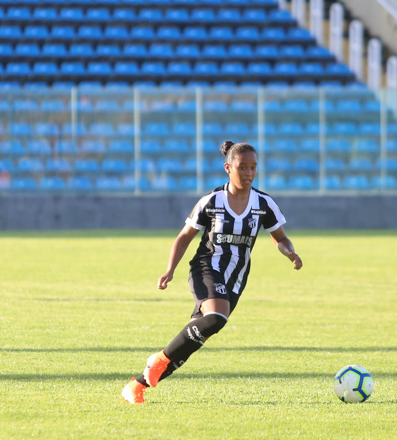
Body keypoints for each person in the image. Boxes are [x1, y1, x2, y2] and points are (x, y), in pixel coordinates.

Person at [121, 140, 303, 404]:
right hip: (206, 267)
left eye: (253, 167)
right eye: (243, 167)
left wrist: (290, 252)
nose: (249, 173)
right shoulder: (212, 201)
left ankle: (137, 385)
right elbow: (185, 236)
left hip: (236, 278)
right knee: (216, 318)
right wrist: (170, 270)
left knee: (197, 337)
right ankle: (157, 360)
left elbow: (280, 237)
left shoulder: (264, 203)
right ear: (228, 168)